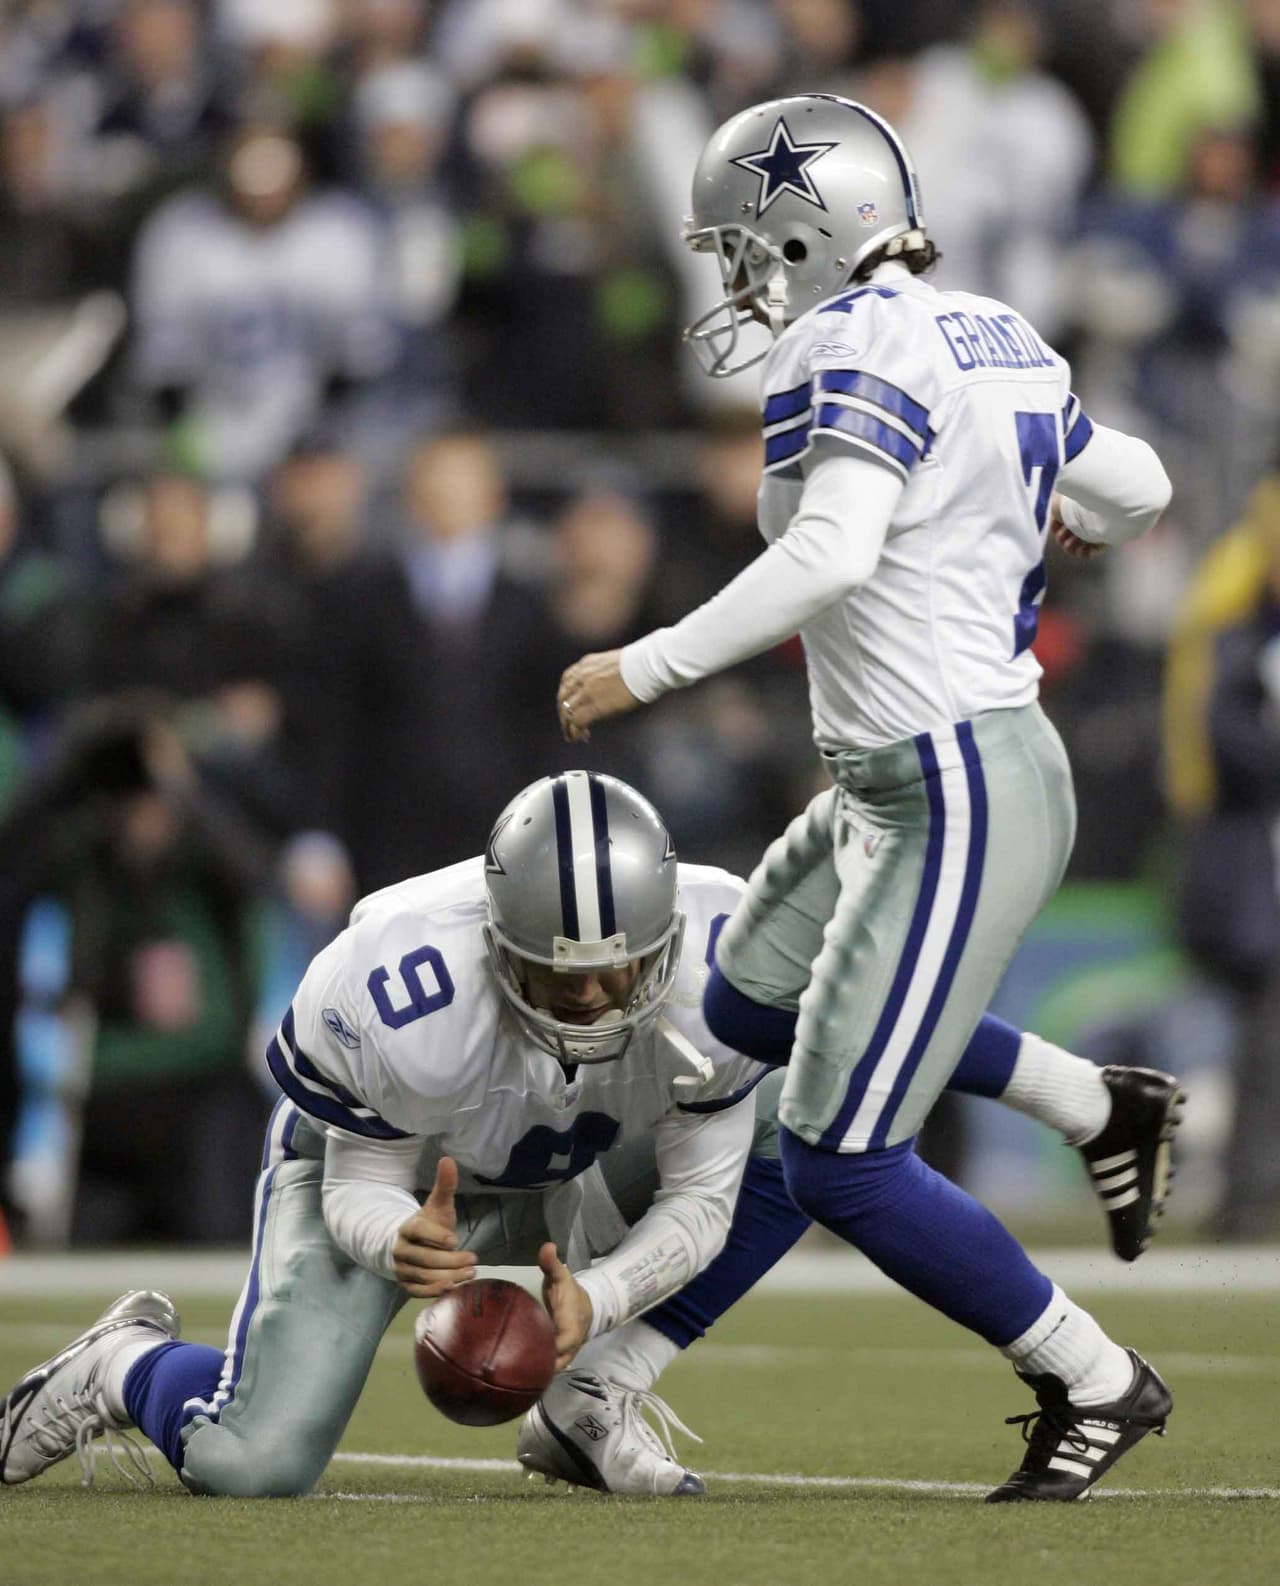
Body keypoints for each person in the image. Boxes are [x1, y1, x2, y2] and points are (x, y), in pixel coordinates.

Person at [555, 94, 1180, 1503]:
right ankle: (1096, 1102)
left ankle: (1093, 1375)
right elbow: (1138, 480)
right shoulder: (990, 325)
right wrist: (1076, 520)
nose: (739, 280)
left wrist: (642, 663)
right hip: (900, 784)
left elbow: (831, 554)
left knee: (839, 1154)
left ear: (807, 228)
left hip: (954, 783)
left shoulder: (851, 338)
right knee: (742, 1017)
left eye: (748, 249)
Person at [2, 771, 1178, 1500]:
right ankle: (123, 1366)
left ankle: (593, 1395)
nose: (592, 1000)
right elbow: (359, 1165)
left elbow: (706, 1197)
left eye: (619, 971)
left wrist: (597, 1300)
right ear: (497, 940)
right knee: (252, 1465)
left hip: (568, 1163)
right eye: (557, 977)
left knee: (804, 1099)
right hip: (406, 1175)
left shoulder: (720, 956)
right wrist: (393, 1239)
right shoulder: (394, 984)